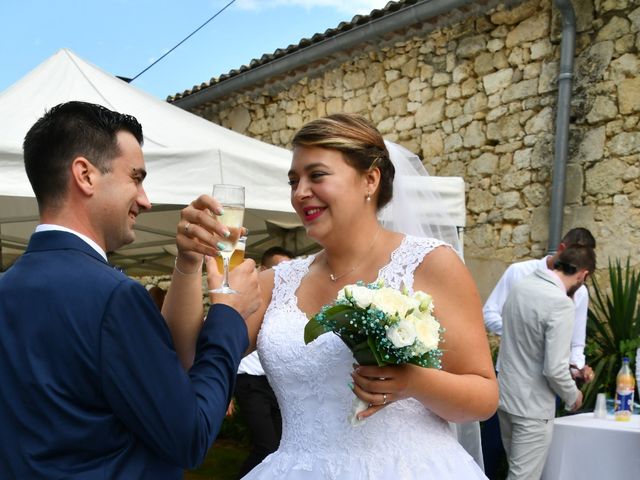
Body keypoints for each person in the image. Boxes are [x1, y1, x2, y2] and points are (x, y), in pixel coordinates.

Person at [165, 113, 498, 478]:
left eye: (316, 175)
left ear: (370, 179)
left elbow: (483, 397)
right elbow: (188, 355)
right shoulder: (277, 282)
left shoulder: (429, 263)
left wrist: (413, 382)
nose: (299, 192)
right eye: (293, 180)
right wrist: (186, 263)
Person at [0, 101, 261, 479]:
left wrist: (186, 264)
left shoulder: (7, 287)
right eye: (135, 178)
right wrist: (228, 317)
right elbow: (190, 435)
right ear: (85, 175)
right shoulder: (114, 297)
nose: (145, 199)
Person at [481, 227, 596, 478]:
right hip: (533, 408)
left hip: (506, 398)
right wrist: (572, 395)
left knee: (515, 471)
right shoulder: (561, 303)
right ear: (583, 275)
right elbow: (554, 369)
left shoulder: (522, 285)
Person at [229, 246, 294, 478]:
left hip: (274, 384)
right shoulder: (248, 302)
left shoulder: (289, 309)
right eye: (280, 269)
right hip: (248, 382)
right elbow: (230, 343)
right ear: (264, 270)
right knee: (266, 445)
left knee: (281, 446)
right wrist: (226, 392)